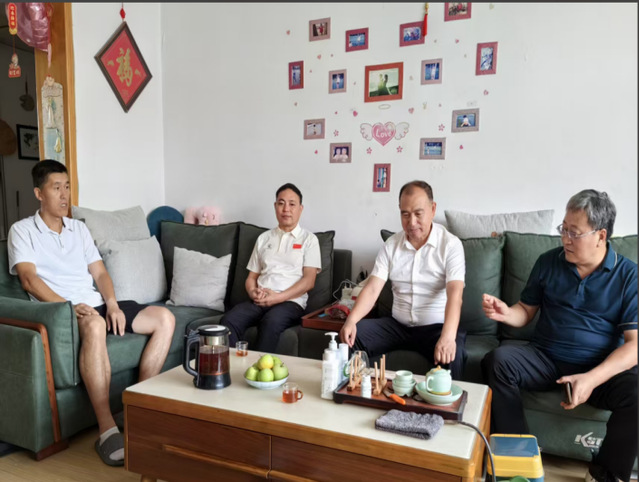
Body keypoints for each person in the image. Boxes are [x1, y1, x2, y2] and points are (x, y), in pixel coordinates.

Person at [7, 160, 176, 467]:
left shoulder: (79, 229)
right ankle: (107, 429)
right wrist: (67, 307)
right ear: (39, 193)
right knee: (96, 325)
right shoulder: (22, 231)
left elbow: (99, 273)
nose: (64, 195)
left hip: (96, 304)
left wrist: (112, 303)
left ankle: (137, 409)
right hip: (61, 311)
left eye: (67, 187)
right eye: (56, 188)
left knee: (165, 319)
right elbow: (29, 280)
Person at [481, 189, 637, 482]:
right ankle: (519, 462)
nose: (565, 239)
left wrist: (591, 379)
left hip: (599, 368)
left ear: (601, 236)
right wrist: (506, 313)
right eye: (563, 229)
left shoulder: (629, 276)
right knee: (498, 361)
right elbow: (525, 311)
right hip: (546, 358)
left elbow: (634, 346)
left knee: (636, 391)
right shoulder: (548, 261)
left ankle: (606, 474)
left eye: (574, 233)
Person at [340, 180, 467, 379]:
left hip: (435, 327)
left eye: (418, 214)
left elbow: (455, 295)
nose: (411, 222)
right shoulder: (391, 245)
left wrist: (448, 336)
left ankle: (449, 401)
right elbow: (372, 289)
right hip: (397, 326)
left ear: (433, 209)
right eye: (405, 214)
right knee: (350, 338)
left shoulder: (450, 245)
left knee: (453, 353)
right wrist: (351, 321)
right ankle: (350, 394)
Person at [221, 183, 321, 352]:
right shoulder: (264, 238)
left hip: (290, 303)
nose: (286, 209)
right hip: (260, 299)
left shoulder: (309, 240)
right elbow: (251, 278)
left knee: (271, 322)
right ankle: (232, 366)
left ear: (300, 209)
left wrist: (278, 297)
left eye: (292, 204)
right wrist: (252, 292)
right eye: (281, 203)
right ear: (275, 206)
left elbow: (309, 281)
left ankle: (260, 368)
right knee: (229, 320)